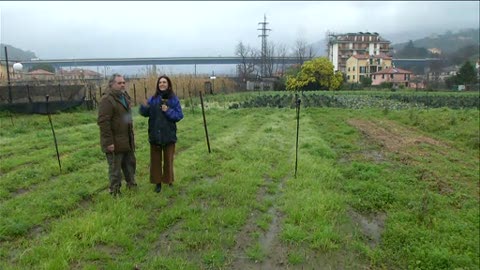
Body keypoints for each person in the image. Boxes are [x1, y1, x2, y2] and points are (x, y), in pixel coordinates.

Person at [139, 75, 183, 193]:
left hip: (169, 134)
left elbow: (179, 115)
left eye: (164, 82)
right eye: (160, 83)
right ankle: (157, 183)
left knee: (168, 160)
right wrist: (143, 106)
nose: (162, 84)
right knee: (155, 161)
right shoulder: (153, 99)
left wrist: (168, 110)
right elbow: (144, 113)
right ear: (157, 85)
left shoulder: (174, 99)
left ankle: (169, 181)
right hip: (155, 134)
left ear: (168, 84)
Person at [97, 73, 137, 196]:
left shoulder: (124, 97)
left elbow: (126, 118)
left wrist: (131, 134)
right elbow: (104, 123)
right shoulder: (107, 100)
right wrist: (109, 142)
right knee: (115, 169)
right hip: (114, 141)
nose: (122, 85)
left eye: (123, 82)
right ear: (111, 84)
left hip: (126, 139)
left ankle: (132, 185)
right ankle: (115, 191)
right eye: (119, 83)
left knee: (130, 164)